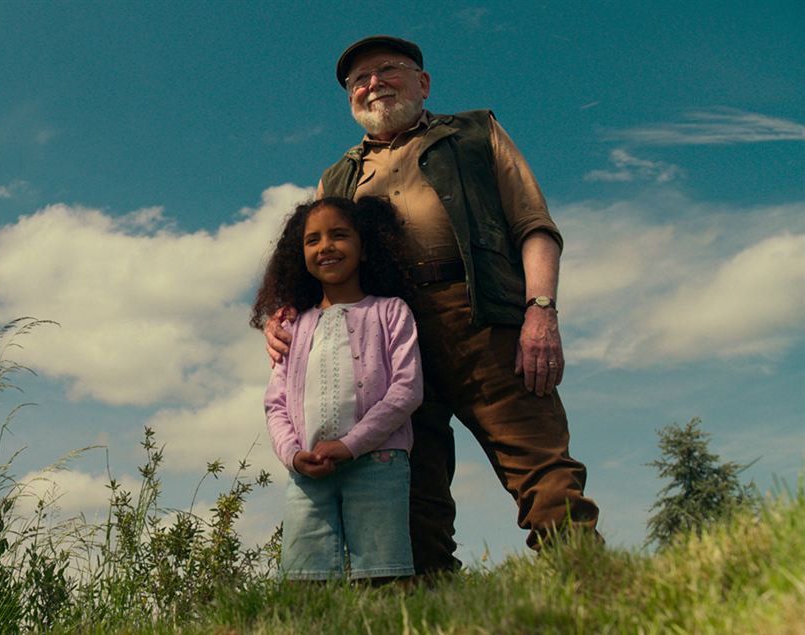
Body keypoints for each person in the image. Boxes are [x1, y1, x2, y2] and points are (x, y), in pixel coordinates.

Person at [262, 35, 599, 576]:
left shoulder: (473, 133)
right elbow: (319, 261)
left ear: (423, 82)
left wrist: (540, 309)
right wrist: (283, 318)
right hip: (384, 338)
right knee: (409, 483)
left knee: (537, 458)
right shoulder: (339, 176)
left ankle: (586, 581)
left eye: (387, 70)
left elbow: (533, 225)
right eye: (359, 81)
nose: (373, 84)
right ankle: (431, 606)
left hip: (483, 318)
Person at [254, 196, 423, 582]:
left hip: (379, 464)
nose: (325, 246)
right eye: (312, 240)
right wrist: (293, 456)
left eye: (339, 235)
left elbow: (407, 389)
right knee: (304, 583)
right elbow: (275, 403)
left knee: (384, 578)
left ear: (365, 248)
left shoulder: (390, 312)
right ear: (301, 255)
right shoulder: (293, 326)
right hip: (308, 473)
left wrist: (351, 444)